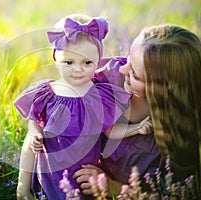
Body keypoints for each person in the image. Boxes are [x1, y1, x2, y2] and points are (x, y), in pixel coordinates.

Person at [14, 14, 151, 199]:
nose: (77, 69)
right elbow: (32, 132)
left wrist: (137, 128)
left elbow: (110, 132)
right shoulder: (44, 95)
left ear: (98, 61)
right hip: (49, 176)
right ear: (55, 57)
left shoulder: (100, 97)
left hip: (83, 178)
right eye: (68, 62)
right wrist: (23, 186)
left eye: (87, 63)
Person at [73, 24, 201, 197]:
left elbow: (174, 193)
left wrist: (115, 188)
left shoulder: (181, 139)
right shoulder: (107, 80)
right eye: (128, 59)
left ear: (161, 91)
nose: (122, 69)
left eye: (134, 74)